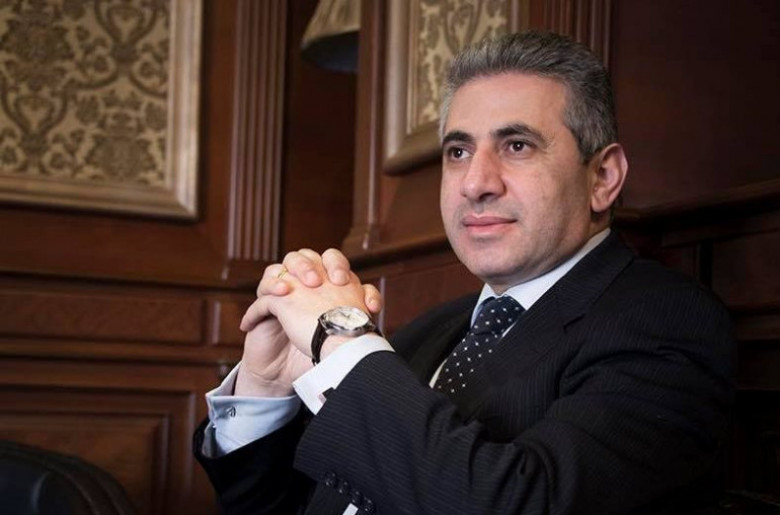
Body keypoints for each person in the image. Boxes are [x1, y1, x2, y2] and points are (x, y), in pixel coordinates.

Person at [194, 31, 734, 514]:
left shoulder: (666, 321)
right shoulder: (431, 331)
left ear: (602, 177)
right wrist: (266, 391)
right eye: (458, 151)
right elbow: (283, 504)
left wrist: (340, 338)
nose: (476, 183)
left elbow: (516, 503)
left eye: (517, 146)